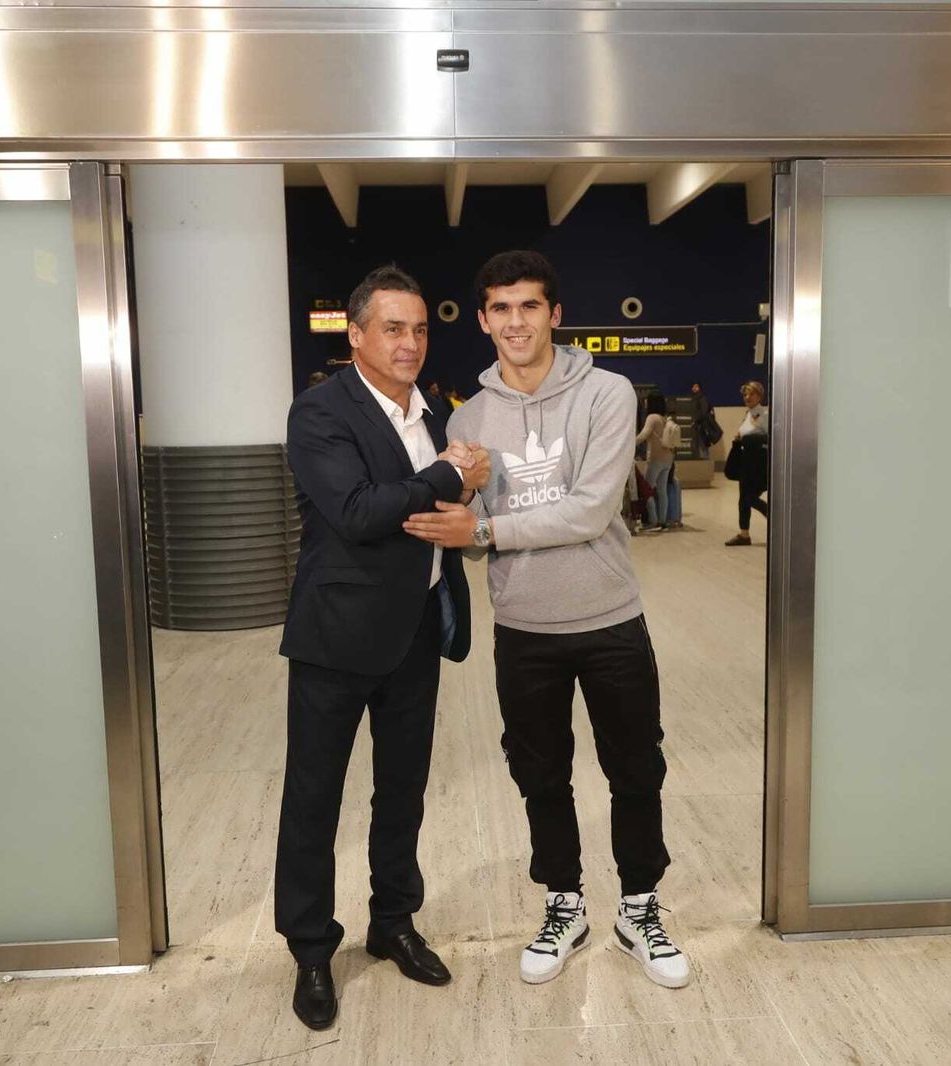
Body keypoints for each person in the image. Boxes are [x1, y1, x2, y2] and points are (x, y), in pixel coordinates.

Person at [402, 250, 690, 990]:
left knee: (635, 769)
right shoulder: (468, 417)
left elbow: (593, 509)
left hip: (609, 618)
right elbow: (467, 528)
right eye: (501, 308)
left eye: (530, 306)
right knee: (541, 775)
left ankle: (639, 908)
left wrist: (486, 532)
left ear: (555, 315)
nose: (516, 321)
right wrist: (461, 514)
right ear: (483, 319)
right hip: (525, 628)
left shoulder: (606, 391)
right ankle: (565, 903)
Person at [276, 265, 491, 1031]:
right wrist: (449, 474)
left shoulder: (430, 412)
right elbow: (358, 511)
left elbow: (439, 501)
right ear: (357, 334)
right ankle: (309, 948)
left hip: (415, 634)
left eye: (420, 329)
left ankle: (392, 920)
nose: (409, 343)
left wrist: (467, 483)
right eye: (393, 328)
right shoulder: (319, 413)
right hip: (335, 640)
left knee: (401, 792)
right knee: (314, 798)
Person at [725, 379, 769, 546]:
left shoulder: (765, 415)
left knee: (750, 497)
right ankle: (744, 534)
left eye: (751, 394)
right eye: (745, 394)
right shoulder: (747, 415)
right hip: (746, 462)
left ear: (759, 396)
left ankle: (770, 513)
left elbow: (771, 437)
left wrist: (751, 439)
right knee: (743, 499)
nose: (747, 397)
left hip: (759, 463)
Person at [634, 392, 676, 533]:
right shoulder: (665, 419)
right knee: (662, 490)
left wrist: (629, 442)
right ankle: (663, 521)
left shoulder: (652, 418)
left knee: (647, 490)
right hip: (668, 459)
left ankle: (653, 521)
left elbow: (644, 434)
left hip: (655, 459)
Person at [689, 380, 717, 460]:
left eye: (695, 386)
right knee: (699, 442)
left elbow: (704, 411)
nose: (693, 388)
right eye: (693, 387)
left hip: (701, 424)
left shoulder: (701, 397)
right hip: (698, 423)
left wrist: (697, 420)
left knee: (703, 442)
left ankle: (705, 459)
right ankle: (701, 458)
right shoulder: (695, 398)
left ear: (699, 388)